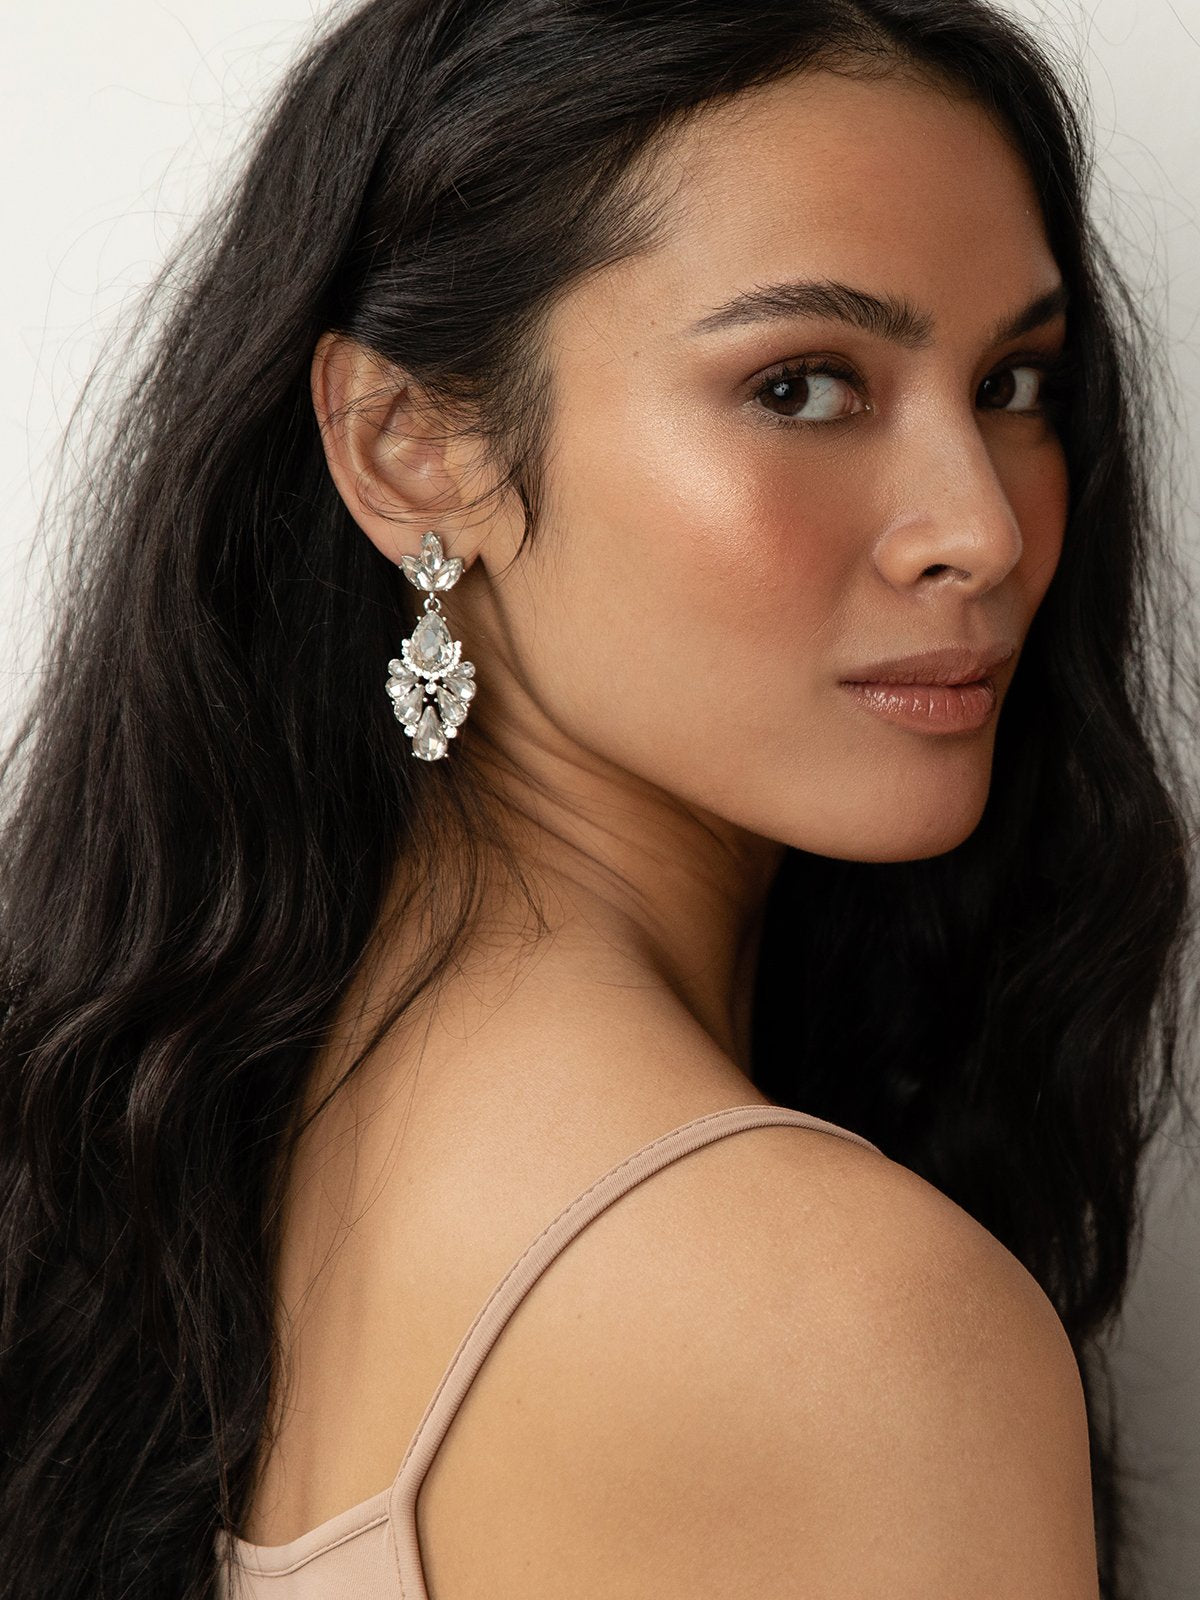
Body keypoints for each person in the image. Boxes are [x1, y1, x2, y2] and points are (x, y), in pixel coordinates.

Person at [2, 1, 1197, 1596]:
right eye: (803, 387)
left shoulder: (213, 1121)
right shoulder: (840, 1323)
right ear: (411, 448)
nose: (979, 529)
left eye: (1014, 383)